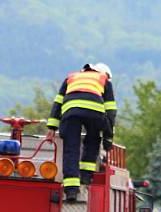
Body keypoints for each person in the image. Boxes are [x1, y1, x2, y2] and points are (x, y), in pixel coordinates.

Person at [45, 63, 117, 201]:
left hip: (71, 111)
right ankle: (85, 176)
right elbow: (110, 112)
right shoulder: (104, 80)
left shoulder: (71, 78)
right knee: (93, 139)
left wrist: (52, 128)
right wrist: (108, 138)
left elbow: (58, 103)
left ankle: (71, 189)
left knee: (71, 148)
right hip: (95, 111)